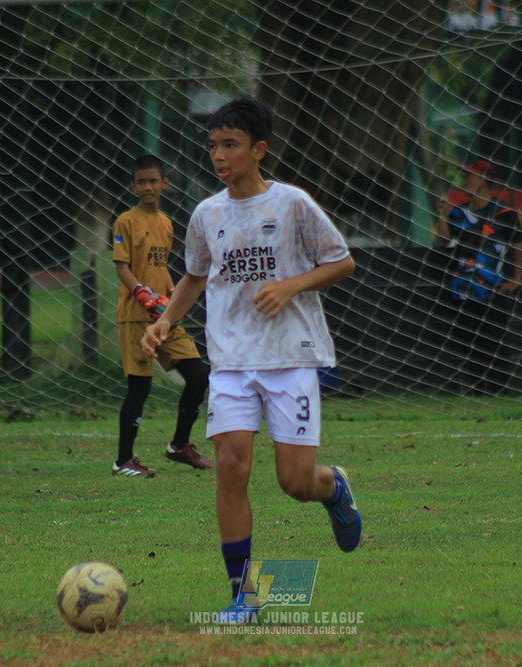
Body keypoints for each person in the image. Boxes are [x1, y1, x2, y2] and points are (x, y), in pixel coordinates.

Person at [141, 98, 362, 623]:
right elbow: (194, 275)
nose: (218, 155)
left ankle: (333, 487)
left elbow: (342, 262)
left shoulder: (292, 205)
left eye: (230, 145)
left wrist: (290, 286)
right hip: (233, 361)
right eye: (213, 145)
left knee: (294, 482)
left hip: (290, 358)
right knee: (231, 467)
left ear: (258, 150)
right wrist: (166, 320)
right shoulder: (206, 214)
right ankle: (244, 595)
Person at [112, 154, 213, 477]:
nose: (147, 187)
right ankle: (123, 461)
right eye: (141, 182)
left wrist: (171, 298)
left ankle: (179, 446)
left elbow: (162, 266)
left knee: (199, 376)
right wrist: (140, 291)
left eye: (153, 181)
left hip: (163, 318)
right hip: (135, 318)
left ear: (164, 184)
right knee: (139, 388)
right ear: (133, 185)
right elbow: (122, 266)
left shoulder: (166, 223)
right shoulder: (126, 221)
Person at [435, 159, 522, 395]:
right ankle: (478, 389)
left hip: (495, 287)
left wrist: (517, 278)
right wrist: (443, 214)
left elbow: (519, 244)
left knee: (495, 338)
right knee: (469, 340)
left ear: (483, 179)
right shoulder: (459, 212)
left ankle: (498, 390)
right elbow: (443, 241)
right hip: (464, 287)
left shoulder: (505, 212)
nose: (465, 181)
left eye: (469, 176)